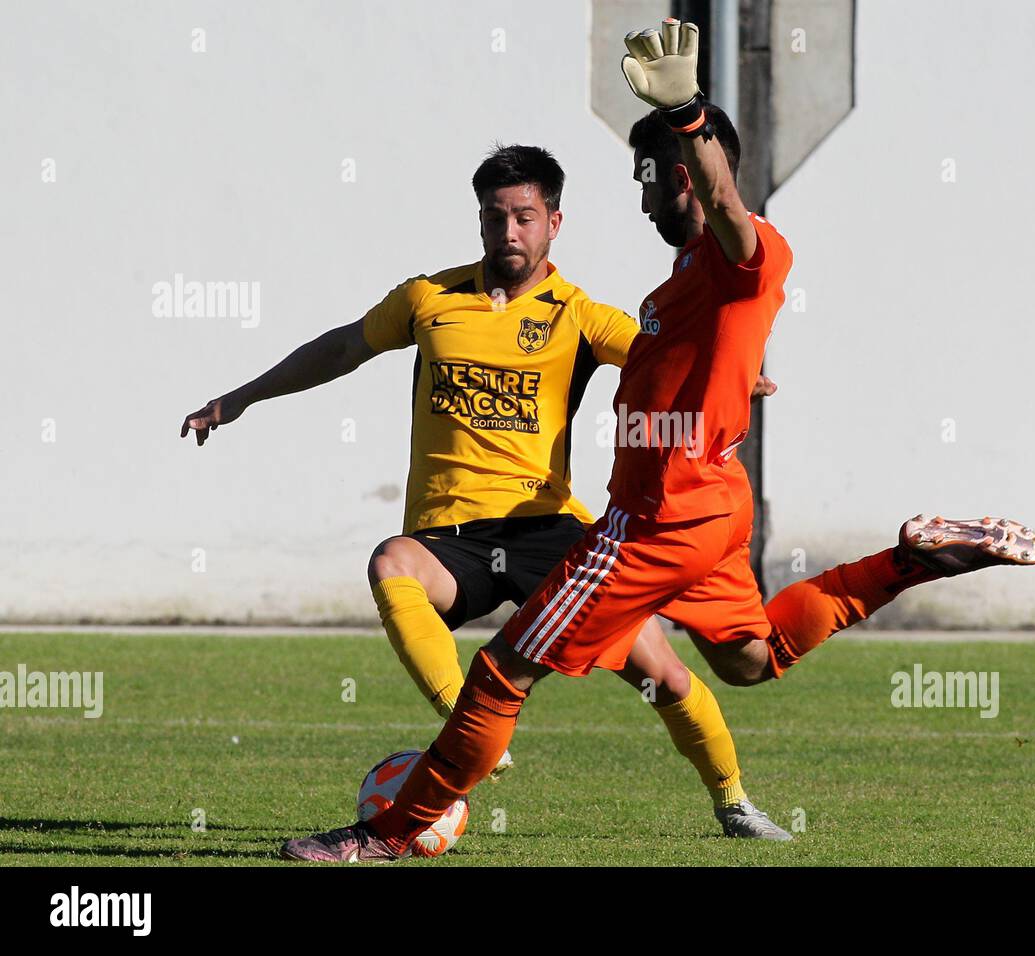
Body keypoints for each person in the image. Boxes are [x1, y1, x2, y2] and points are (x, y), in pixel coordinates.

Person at [280, 18, 1035, 863]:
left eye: (649, 183)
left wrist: (687, 111)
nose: (642, 202)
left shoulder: (745, 254)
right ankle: (908, 561)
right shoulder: (675, 285)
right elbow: (686, 355)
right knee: (752, 659)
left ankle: (383, 837)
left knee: (501, 674)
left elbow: (726, 206)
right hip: (709, 503)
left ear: (682, 173)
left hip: (653, 519)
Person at [183, 142, 790, 841]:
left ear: (554, 223)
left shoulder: (582, 317)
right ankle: (473, 730)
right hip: (452, 538)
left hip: (549, 530)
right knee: (391, 562)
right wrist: (241, 398)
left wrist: (739, 375)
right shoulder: (428, 300)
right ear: (478, 222)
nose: (509, 232)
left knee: (663, 673)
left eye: (525, 217)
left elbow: (672, 352)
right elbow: (343, 347)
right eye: (495, 216)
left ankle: (734, 801)